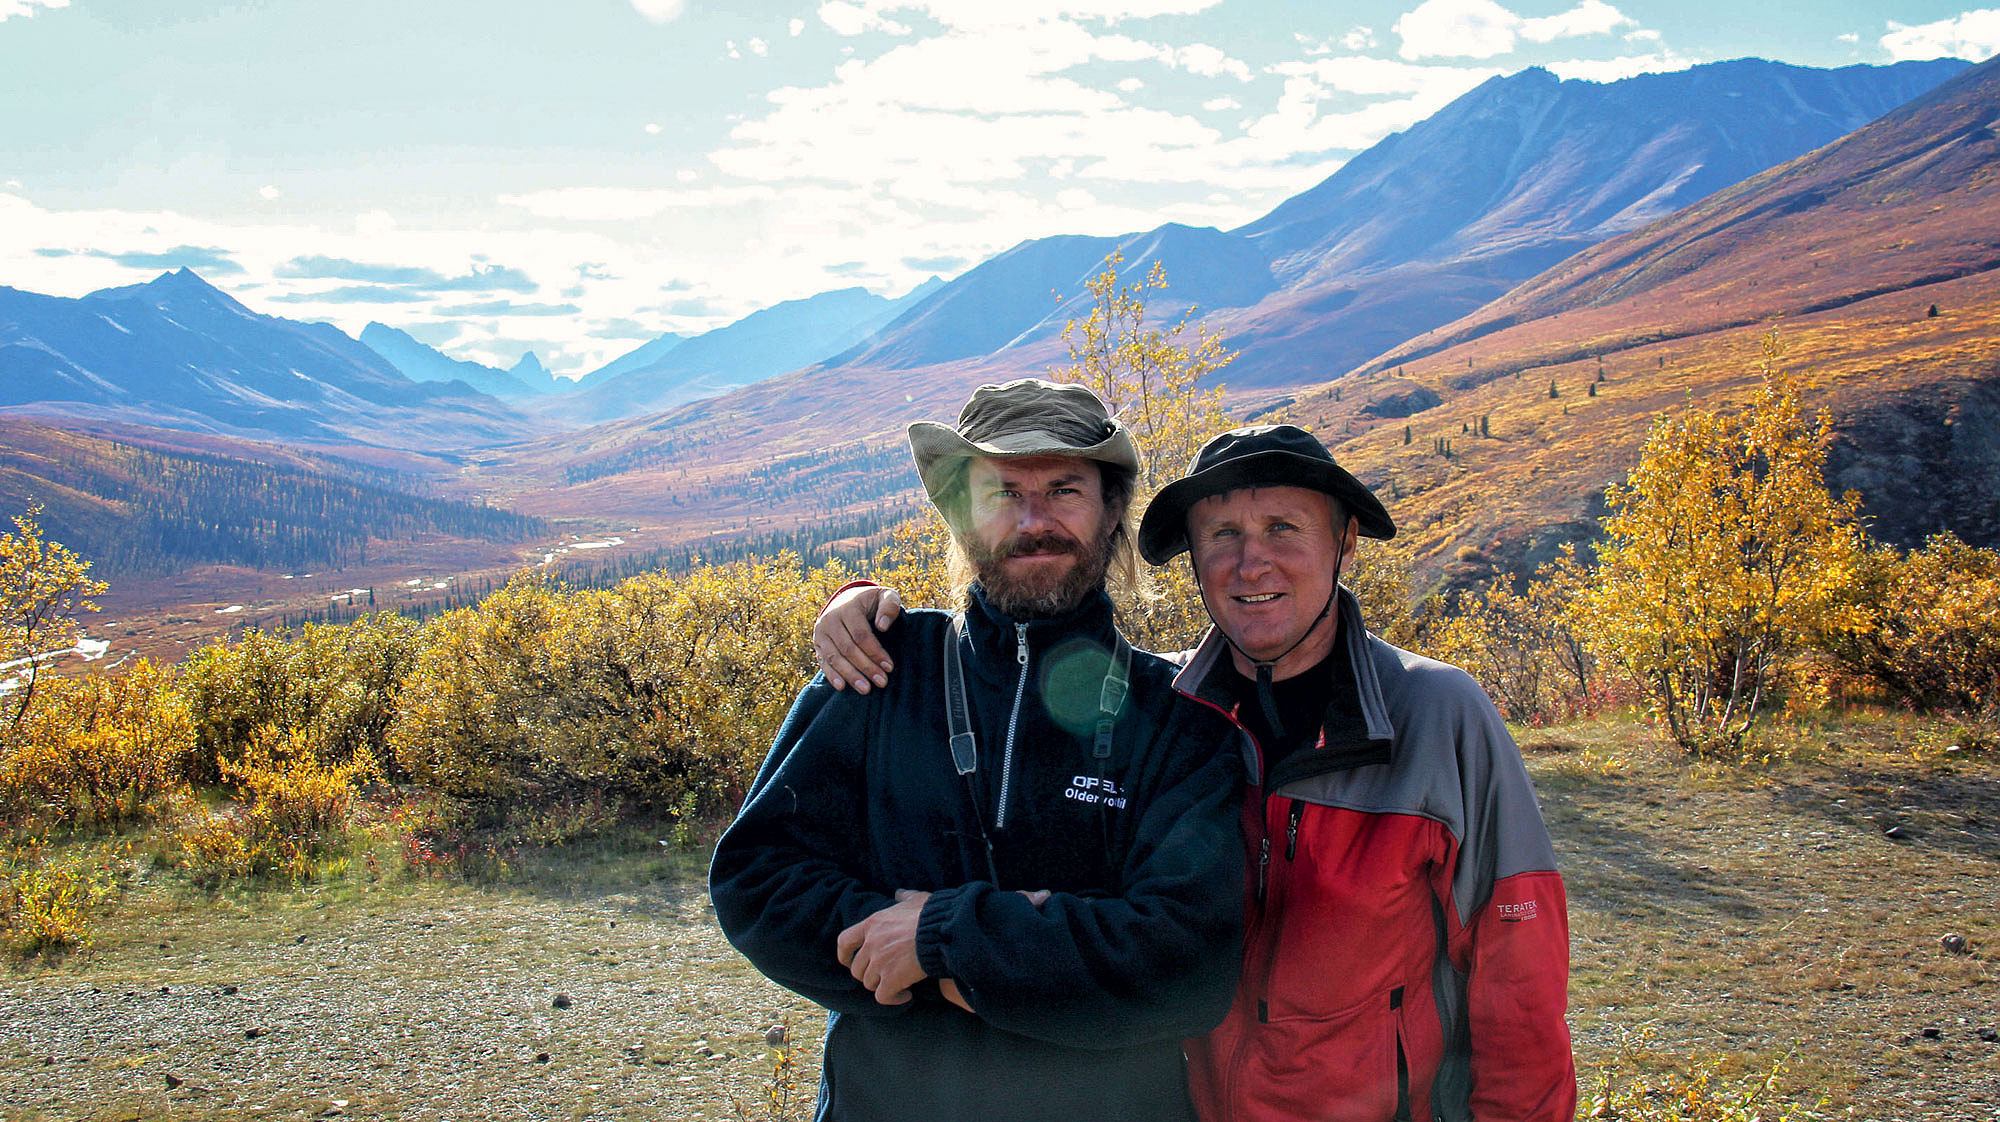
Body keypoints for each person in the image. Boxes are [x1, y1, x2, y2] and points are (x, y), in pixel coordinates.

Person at [814, 423, 1578, 1122]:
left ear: (1345, 543)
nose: (1253, 562)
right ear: (1194, 559)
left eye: (1284, 528)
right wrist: (864, 614)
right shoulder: (1164, 711)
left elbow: (1518, 975)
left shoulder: (1436, 716)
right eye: (1222, 534)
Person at [709, 379, 1246, 1122]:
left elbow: (1187, 959)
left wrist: (939, 938)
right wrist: (954, 960)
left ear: (1112, 508)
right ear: (961, 512)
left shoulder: (1178, 719)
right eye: (1002, 492)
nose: (1033, 521)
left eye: (1064, 490)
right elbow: (757, 882)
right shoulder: (879, 674)